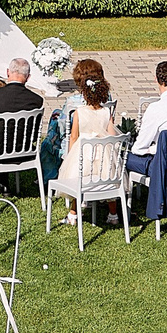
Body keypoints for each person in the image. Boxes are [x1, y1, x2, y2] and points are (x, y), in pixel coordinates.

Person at [53, 67, 125, 226]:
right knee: (109, 176)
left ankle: (73, 213)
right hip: (103, 159)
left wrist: (70, 156)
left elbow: (73, 136)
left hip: (83, 156)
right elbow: (112, 135)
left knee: (75, 177)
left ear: (84, 93)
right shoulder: (107, 112)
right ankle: (113, 214)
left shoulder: (79, 112)